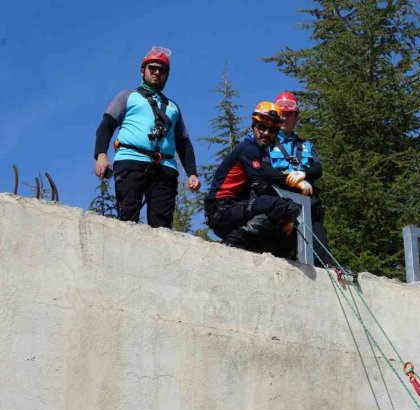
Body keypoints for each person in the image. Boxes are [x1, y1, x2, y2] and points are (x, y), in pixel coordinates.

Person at [94, 47, 201, 229]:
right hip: (131, 161)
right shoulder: (127, 96)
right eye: (153, 68)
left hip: (165, 168)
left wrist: (192, 173)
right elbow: (106, 127)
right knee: (128, 218)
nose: (157, 73)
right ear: (142, 70)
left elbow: (183, 143)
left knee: (162, 227)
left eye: (162, 70)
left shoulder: (173, 108)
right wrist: (101, 155)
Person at [204, 102, 311, 255]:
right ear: (253, 126)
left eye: (273, 129)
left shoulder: (262, 152)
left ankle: (246, 243)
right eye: (262, 127)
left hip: (233, 209)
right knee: (285, 207)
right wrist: (288, 209)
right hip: (221, 209)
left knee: (281, 241)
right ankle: (234, 240)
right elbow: (261, 187)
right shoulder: (249, 148)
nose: (267, 133)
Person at [266, 91, 334, 266]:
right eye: (281, 114)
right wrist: (287, 178)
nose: (285, 119)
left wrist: (304, 174)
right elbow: (262, 169)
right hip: (280, 204)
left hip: (308, 206)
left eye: (289, 114)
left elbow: (318, 168)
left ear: (297, 116)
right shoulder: (266, 143)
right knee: (280, 256)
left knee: (320, 250)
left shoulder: (306, 145)